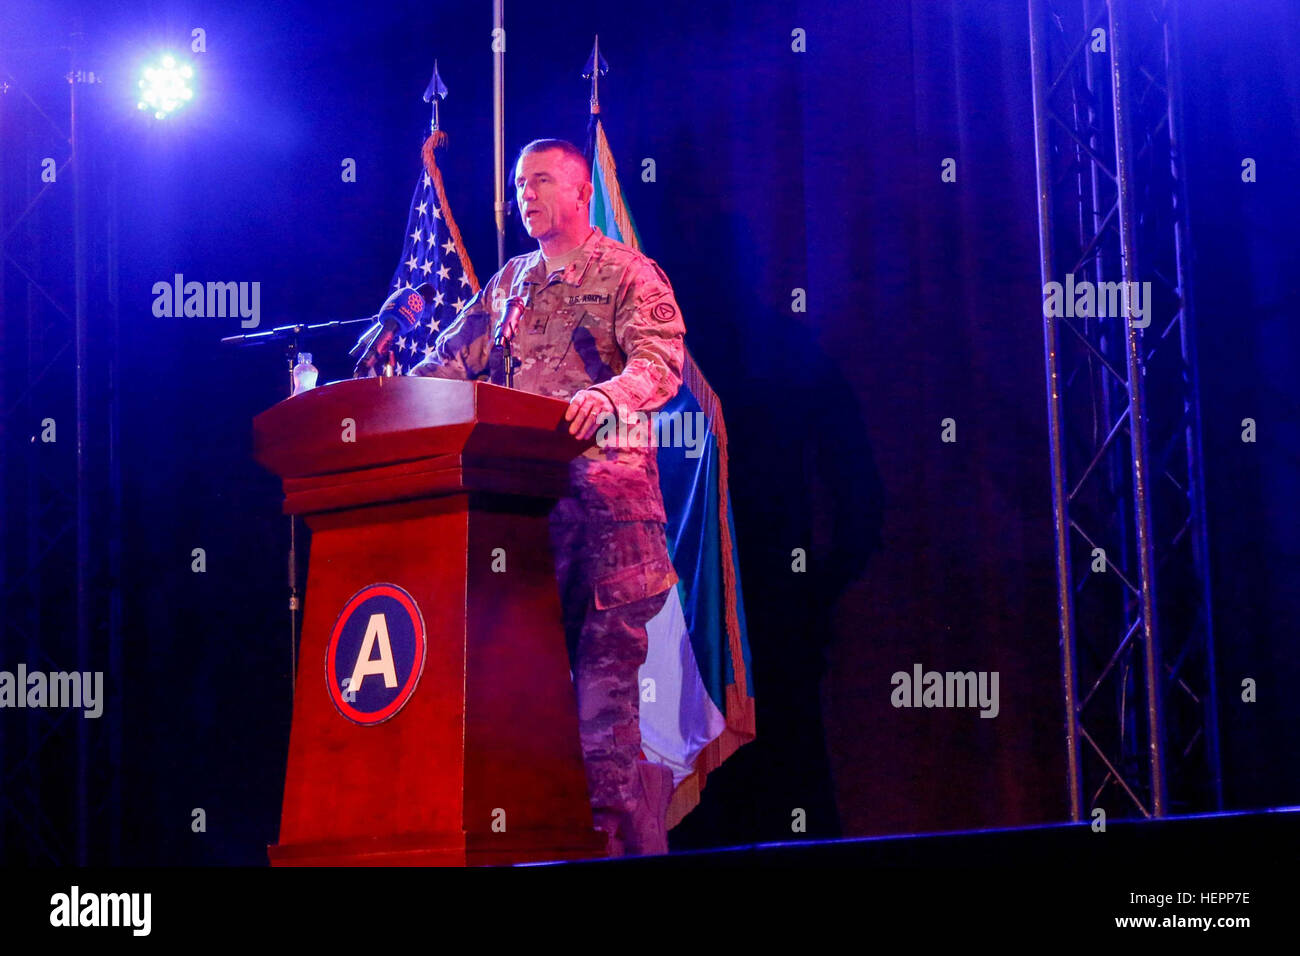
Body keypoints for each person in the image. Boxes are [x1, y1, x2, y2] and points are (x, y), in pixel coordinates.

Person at [408, 138, 686, 856]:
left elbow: (662, 364)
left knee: (601, 720)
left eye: (540, 181)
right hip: (523, 526)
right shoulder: (510, 283)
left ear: (580, 192)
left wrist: (605, 395)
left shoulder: (628, 274)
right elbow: (447, 362)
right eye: (517, 183)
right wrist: (391, 399)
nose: (524, 194)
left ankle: (622, 847)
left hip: (608, 528)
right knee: (519, 710)